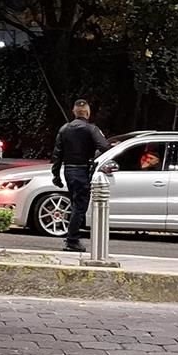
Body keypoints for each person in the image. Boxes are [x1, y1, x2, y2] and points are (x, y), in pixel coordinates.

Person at [50, 99, 110, 252]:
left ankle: (73, 237)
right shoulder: (91, 129)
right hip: (83, 170)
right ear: (88, 113)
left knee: (75, 204)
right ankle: (72, 240)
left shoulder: (64, 129)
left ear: (74, 112)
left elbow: (57, 155)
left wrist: (56, 175)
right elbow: (104, 147)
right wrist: (95, 154)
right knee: (80, 206)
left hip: (69, 170)